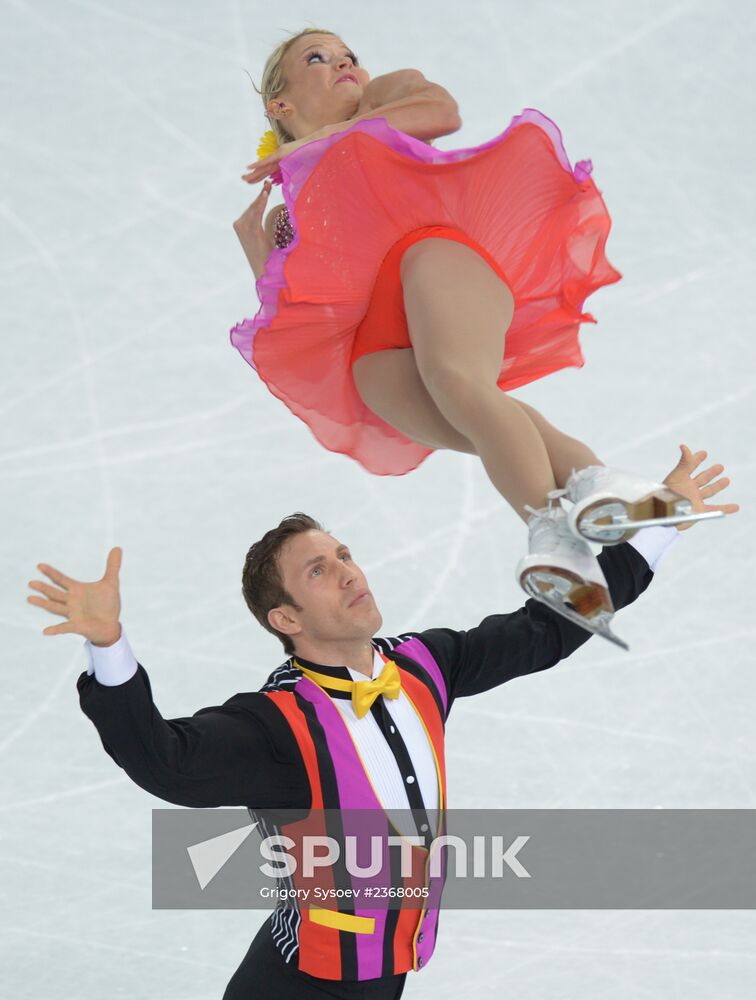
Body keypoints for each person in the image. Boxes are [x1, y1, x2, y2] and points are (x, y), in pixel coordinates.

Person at [27, 445, 737, 999]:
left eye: (343, 554)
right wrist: (109, 646)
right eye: (316, 572)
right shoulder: (278, 725)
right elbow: (168, 763)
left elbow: (545, 630)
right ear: (286, 620)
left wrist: (659, 528)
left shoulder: (427, 664)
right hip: (299, 989)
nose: (345, 571)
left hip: (387, 976)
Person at [229, 28, 734, 645]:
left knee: (458, 381)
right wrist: (263, 264)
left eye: (348, 55)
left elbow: (441, 113)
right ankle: (599, 491)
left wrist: (327, 138)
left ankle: (557, 539)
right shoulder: (285, 212)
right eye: (318, 58)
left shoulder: (383, 98)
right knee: (481, 417)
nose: (343, 64)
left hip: (437, 256)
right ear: (279, 104)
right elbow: (305, 314)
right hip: (376, 334)